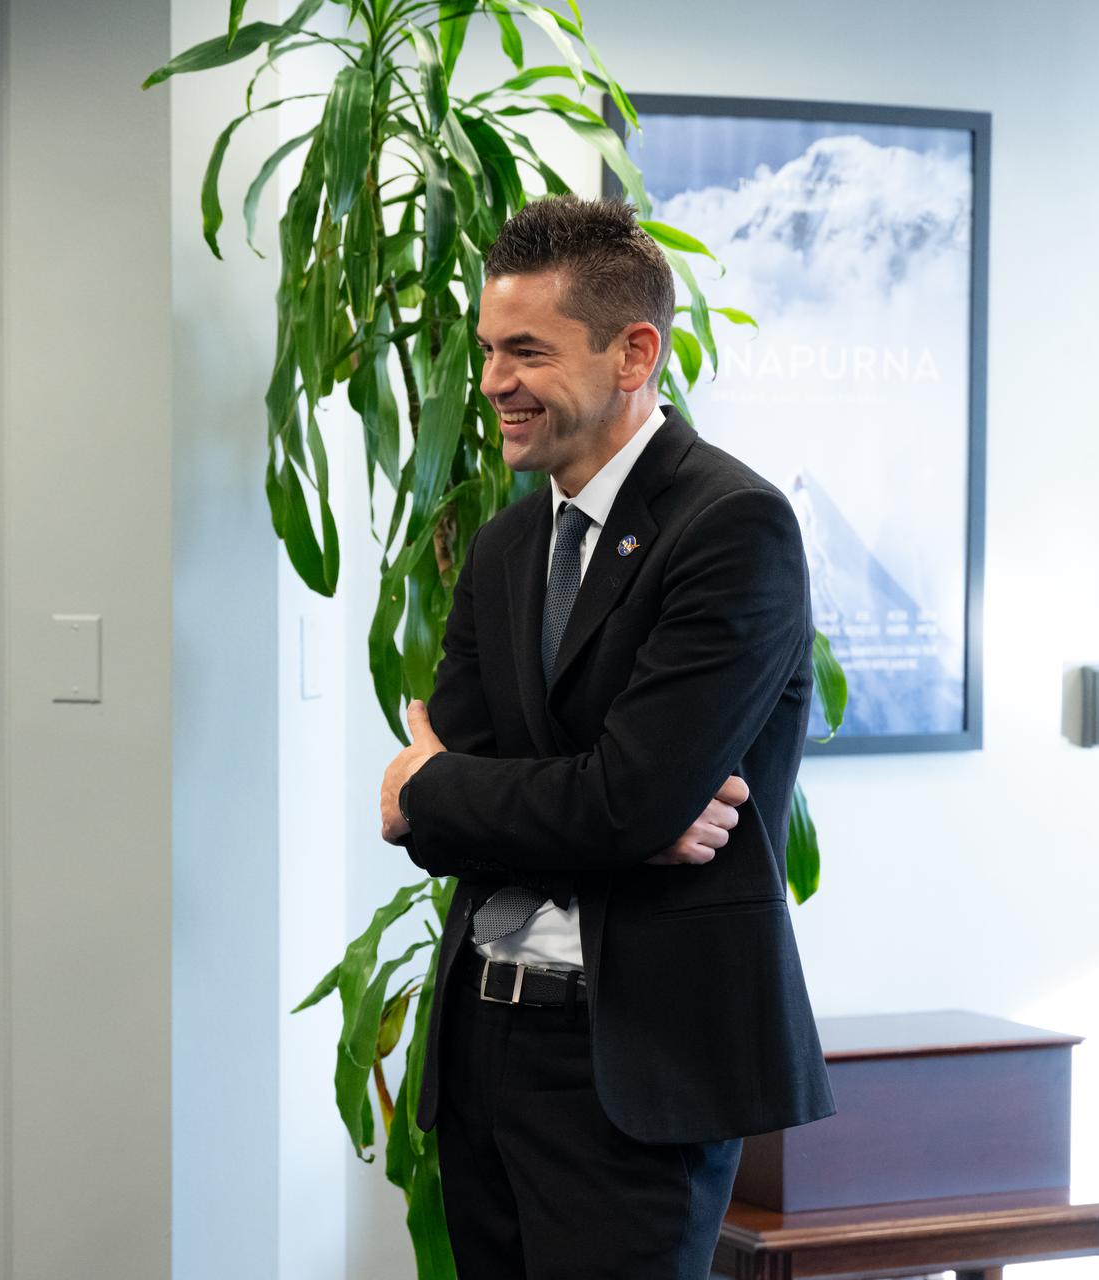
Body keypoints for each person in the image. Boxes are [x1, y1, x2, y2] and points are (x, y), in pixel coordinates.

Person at [379, 196, 833, 1279]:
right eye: (489, 349)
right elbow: (467, 822)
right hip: (484, 1047)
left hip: (632, 1070)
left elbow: (611, 798)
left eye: (526, 350)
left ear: (635, 352)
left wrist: (437, 787)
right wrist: (585, 812)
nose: (492, 381)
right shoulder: (501, 545)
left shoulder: (733, 527)